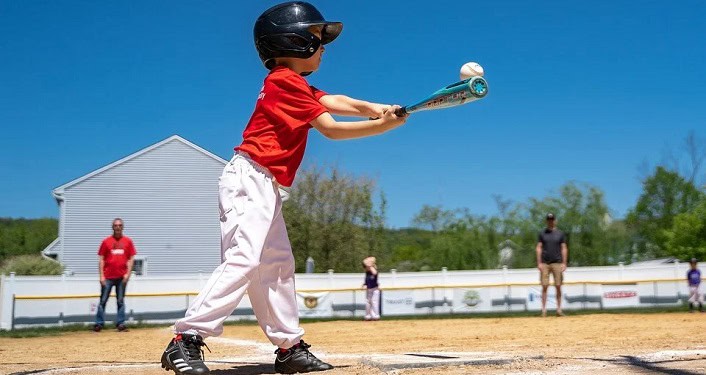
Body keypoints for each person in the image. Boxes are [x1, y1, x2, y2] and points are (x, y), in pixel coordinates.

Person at [160, 2, 406, 374]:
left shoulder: (294, 84)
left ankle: (289, 348)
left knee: (276, 265)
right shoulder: (285, 83)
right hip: (249, 178)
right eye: (316, 38)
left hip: (264, 182)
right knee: (244, 259)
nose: (323, 46)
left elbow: (336, 101)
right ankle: (185, 339)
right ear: (291, 41)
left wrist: (378, 107)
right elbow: (331, 127)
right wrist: (381, 126)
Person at [94, 218, 136, 332]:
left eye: (120, 225)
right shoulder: (106, 241)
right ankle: (99, 324)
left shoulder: (128, 241)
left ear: (123, 227)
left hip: (121, 278)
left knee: (120, 301)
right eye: (115, 225)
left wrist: (128, 274)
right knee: (103, 300)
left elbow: (131, 258)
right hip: (107, 277)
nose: (118, 227)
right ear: (112, 227)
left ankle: (120, 323)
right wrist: (101, 276)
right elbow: (101, 259)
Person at [536, 213, 568, 317]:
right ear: (547, 221)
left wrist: (564, 262)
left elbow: (564, 248)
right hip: (545, 263)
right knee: (544, 286)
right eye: (549, 219)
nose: (551, 221)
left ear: (555, 220)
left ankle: (559, 310)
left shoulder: (560, 234)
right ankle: (544, 311)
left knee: (558, 286)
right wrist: (539, 263)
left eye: (552, 219)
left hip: (557, 263)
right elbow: (539, 247)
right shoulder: (542, 233)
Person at [362, 256, 380, 321]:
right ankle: (368, 316)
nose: (365, 268)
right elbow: (367, 280)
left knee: (374, 301)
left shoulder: (373, 270)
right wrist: (364, 284)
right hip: (369, 289)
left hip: (374, 289)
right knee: (368, 302)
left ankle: (375, 316)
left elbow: (375, 273)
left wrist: (370, 265)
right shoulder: (367, 272)